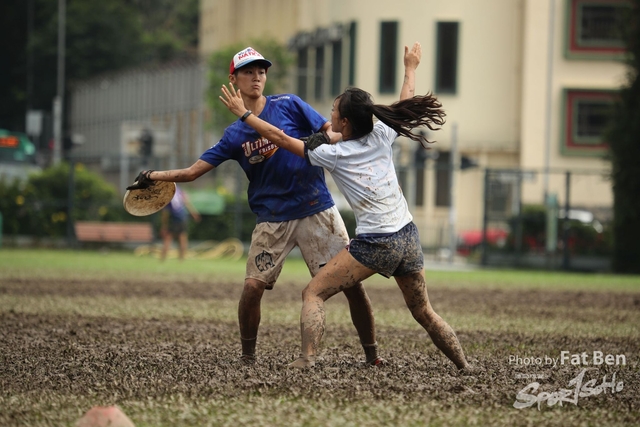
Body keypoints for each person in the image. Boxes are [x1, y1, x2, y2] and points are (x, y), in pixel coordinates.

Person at [219, 42, 471, 370]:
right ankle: (465, 366)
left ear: (346, 123)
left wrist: (245, 115)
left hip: (376, 242)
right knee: (424, 311)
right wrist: (410, 67)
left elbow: (279, 138)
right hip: (408, 236)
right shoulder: (382, 133)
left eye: (335, 112)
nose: (331, 116)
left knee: (313, 293)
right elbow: (405, 101)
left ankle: (307, 358)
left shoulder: (333, 154)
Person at [126, 47, 382, 366]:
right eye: (248, 71)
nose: (257, 76)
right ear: (234, 79)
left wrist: (328, 137)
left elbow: (328, 130)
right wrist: (152, 175)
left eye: (261, 71)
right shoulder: (234, 135)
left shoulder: (288, 104)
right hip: (272, 219)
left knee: (351, 285)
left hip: (317, 209)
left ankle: (372, 356)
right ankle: (248, 357)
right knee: (251, 288)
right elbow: (193, 172)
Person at [160, 185, 201, 261]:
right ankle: (181, 259)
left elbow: (165, 213)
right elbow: (186, 202)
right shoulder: (179, 190)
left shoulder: (167, 194)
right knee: (182, 238)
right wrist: (194, 213)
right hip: (183, 217)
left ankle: (163, 259)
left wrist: (164, 226)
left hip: (175, 218)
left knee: (168, 238)